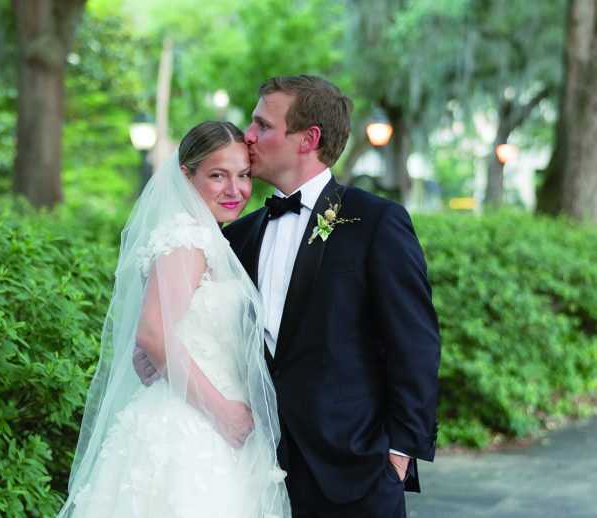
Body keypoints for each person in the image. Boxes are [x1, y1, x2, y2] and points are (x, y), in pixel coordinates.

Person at [222, 75, 441, 517]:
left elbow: (414, 344)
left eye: (262, 125)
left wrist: (399, 455)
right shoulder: (238, 236)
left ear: (309, 139)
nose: (247, 136)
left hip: (355, 469)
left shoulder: (377, 221)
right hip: (254, 469)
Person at [58, 121, 291, 517]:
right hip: (191, 425)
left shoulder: (210, 236)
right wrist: (225, 414)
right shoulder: (187, 238)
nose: (235, 190)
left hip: (208, 419)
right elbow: (153, 334)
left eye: (243, 176)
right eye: (218, 176)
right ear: (186, 176)